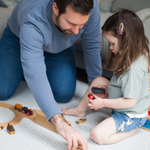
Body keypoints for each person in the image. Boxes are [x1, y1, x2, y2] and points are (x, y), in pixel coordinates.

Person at [0, 0, 102, 149]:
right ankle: (26, 61)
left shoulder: (90, 6)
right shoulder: (32, 20)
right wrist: (60, 123)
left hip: (59, 45)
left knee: (64, 93)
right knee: (3, 90)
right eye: (71, 23)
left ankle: (31, 61)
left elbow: (92, 46)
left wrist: (96, 86)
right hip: (18, 38)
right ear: (55, 8)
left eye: (81, 25)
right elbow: (35, 74)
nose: (76, 32)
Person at [62, 9, 150, 145]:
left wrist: (103, 103)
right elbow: (120, 84)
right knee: (98, 80)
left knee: (97, 135)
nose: (110, 48)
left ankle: (133, 128)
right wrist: (109, 93)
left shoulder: (135, 69)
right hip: (120, 104)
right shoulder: (130, 54)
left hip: (130, 114)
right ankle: (79, 110)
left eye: (112, 44)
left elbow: (130, 102)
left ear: (125, 41)